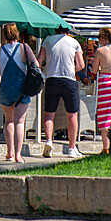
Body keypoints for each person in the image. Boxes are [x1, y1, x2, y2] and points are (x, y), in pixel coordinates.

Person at [38, 24, 85, 159]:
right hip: (68, 80)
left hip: (52, 79)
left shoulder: (47, 40)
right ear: (67, 31)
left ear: (55, 30)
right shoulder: (74, 42)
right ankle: (71, 148)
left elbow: (39, 61)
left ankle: (48, 141)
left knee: (49, 114)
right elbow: (81, 65)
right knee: (72, 115)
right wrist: (71, 70)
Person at [0, 22, 39, 164]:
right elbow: (36, 65)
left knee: (8, 121)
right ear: (17, 33)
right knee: (19, 122)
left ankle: (8, 153)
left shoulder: (0, 50)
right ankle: (18, 155)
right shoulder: (24, 48)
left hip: (6, 90)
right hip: (21, 89)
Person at [89, 27, 111, 154]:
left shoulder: (100, 51)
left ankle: (106, 147)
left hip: (105, 81)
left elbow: (94, 70)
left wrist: (90, 78)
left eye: (100, 38)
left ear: (105, 38)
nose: (99, 41)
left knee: (104, 114)